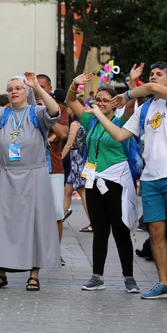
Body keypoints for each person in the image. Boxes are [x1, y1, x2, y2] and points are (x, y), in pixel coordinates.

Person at [98, 62, 167, 302]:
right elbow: (120, 135)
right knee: (156, 232)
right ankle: (164, 283)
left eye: (160, 74)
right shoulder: (144, 108)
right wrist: (99, 113)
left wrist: (128, 90)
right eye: (152, 74)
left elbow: (149, 87)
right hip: (151, 178)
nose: (154, 78)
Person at [0, 68, 61, 291]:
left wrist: (37, 87)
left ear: (26, 92)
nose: (13, 92)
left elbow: (54, 110)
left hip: (33, 176)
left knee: (35, 225)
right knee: (3, 224)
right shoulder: (2, 115)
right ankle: (1, 273)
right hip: (5, 176)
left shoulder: (36, 113)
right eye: (10, 89)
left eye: (18, 89)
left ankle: (34, 274)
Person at [67, 68, 140, 293]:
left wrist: (131, 83)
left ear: (114, 103)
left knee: (119, 228)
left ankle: (129, 277)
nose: (100, 103)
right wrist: (74, 84)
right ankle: (97, 276)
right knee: (99, 229)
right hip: (94, 179)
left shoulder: (122, 120)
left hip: (116, 180)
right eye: (97, 99)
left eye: (105, 100)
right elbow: (70, 101)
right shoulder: (91, 119)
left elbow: (131, 103)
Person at [36, 74, 69, 264]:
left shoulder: (60, 110)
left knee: (57, 212)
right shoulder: (27, 110)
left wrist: (47, 114)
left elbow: (63, 133)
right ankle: (35, 250)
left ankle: (54, 251)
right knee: (33, 213)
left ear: (49, 89)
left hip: (53, 167)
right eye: (35, 87)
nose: (38, 91)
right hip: (30, 168)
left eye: (42, 87)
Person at [61, 97, 90, 232]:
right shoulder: (85, 122)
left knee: (82, 191)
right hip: (81, 159)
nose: (66, 109)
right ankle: (59, 216)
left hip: (76, 160)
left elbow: (69, 143)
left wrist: (60, 157)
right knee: (68, 190)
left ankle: (94, 222)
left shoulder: (75, 124)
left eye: (68, 106)